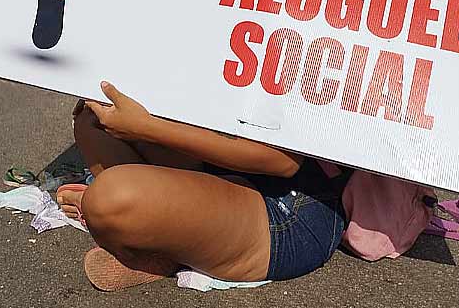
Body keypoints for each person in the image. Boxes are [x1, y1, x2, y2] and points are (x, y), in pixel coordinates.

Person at [56, 83, 346, 291]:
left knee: (108, 199)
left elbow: (285, 163)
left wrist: (146, 128)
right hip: (226, 159)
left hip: (295, 205)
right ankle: (158, 230)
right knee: (92, 119)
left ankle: (156, 250)